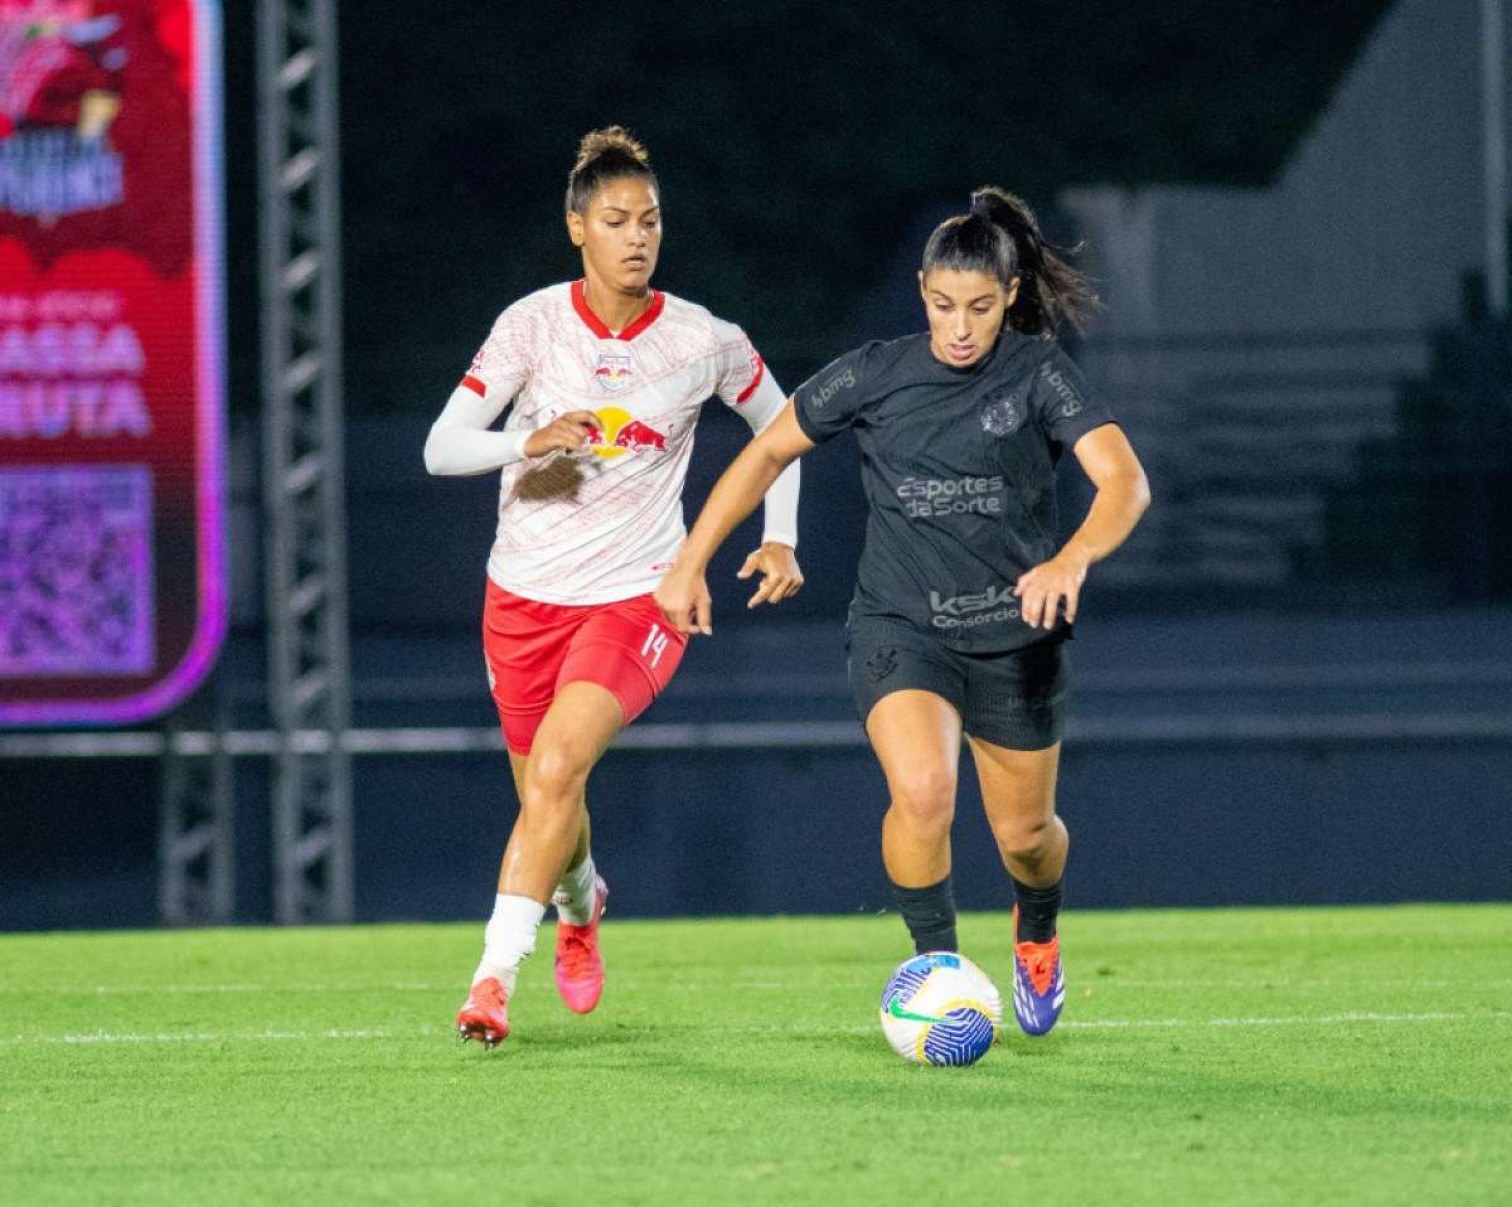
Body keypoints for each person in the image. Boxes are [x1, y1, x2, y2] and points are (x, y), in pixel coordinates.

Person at [656, 188, 1150, 1038]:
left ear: (1010, 298)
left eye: (982, 308)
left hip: (1014, 639)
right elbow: (769, 444)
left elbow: (1126, 482)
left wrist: (1072, 557)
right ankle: (940, 971)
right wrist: (690, 560)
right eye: (944, 305)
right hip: (900, 628)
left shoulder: (1038, 374)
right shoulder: (876, 372)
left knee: (1026, 836)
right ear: (922, 290)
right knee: (923, 792)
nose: (961, 326)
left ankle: (1037, 929)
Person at [424, 127, 804, 1048]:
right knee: (549, 799)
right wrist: (530, 438)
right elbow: (440, 449)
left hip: (639, 598)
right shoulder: (531, 326)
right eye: (616, 219)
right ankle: (582, 903)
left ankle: (491, 982)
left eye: (651, 219)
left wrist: (781, 535)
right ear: (575, 228)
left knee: (557, 770)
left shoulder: (704, 339)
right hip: (520, 598)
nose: (638, 236)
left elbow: (785, 426)